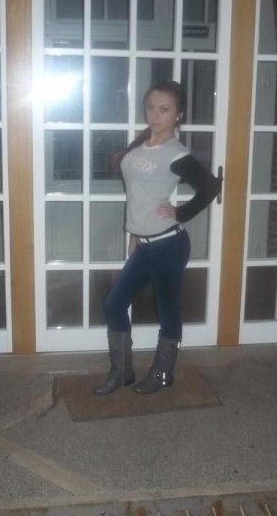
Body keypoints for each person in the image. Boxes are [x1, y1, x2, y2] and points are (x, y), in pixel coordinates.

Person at [94, 80, 222, 395]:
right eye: (151, 107)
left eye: (164, 109)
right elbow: (138, 194)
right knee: (114, 304)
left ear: (178, 115)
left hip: (168, 245)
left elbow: (210, 187)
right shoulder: (141, 144)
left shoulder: (176, 154)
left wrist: (180, 212)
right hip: (145, 243)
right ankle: (122, 372)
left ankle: (164, 373)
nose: (155, 114)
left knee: (168, 311)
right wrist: (135, 234)